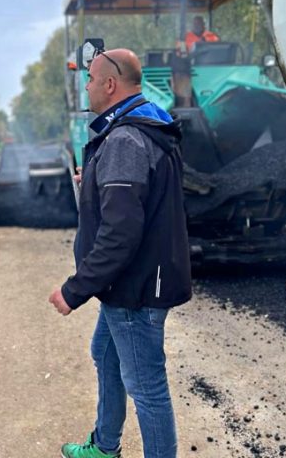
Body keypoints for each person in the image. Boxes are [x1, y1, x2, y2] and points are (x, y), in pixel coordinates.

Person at [49, 49, 192, 458]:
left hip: (135, 286)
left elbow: (120, 232)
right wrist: (94, 177)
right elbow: (140, 196)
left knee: (147, 388)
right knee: (104, 354)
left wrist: (75, 289)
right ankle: (105, 445)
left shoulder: (126, 139)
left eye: (91, 79)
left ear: (110, 84)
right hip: (131, 282)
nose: (88, 86)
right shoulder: (142, 126)